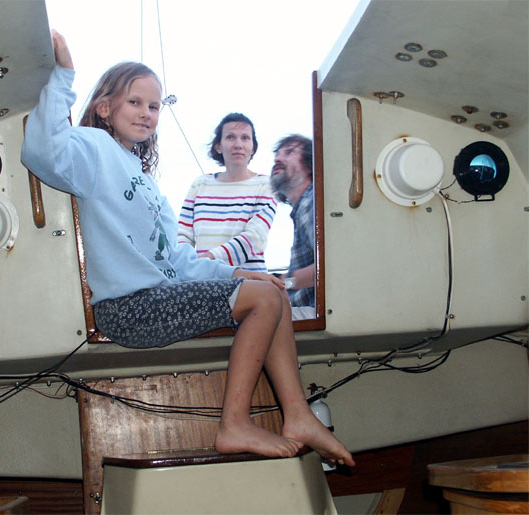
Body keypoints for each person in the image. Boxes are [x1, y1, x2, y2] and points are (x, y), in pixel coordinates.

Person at [21, 30, 354, 466]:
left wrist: (239, 273)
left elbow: (177, 260)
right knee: (263, 300)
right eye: (135, 102)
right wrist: (64, 73)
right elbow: (42, 151)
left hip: (156, 298)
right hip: (128, 308)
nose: (147, 113)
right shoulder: (95, 148)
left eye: (154, 106)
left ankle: (297, 416)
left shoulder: (146, 183)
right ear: (104, 107)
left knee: (270, 292)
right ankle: (235, 424)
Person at [178, 113, 276, 272]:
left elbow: (255, 237)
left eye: (245, 138)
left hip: (250, 281)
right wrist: (187, 266)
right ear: (218, 146)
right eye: (230, 137)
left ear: (253, 147)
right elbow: (183, 235)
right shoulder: (200, 184)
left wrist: (207, 261)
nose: (238, 144)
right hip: (204, 281)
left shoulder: (265, 184)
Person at [271, 135, 316, 320]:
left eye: (289, 152)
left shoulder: (311, 203)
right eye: (277, 154)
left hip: (316, 314)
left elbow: (331, 267)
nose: (278, 159)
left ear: (310, 164)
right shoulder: (303, 208)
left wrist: (284, 281)